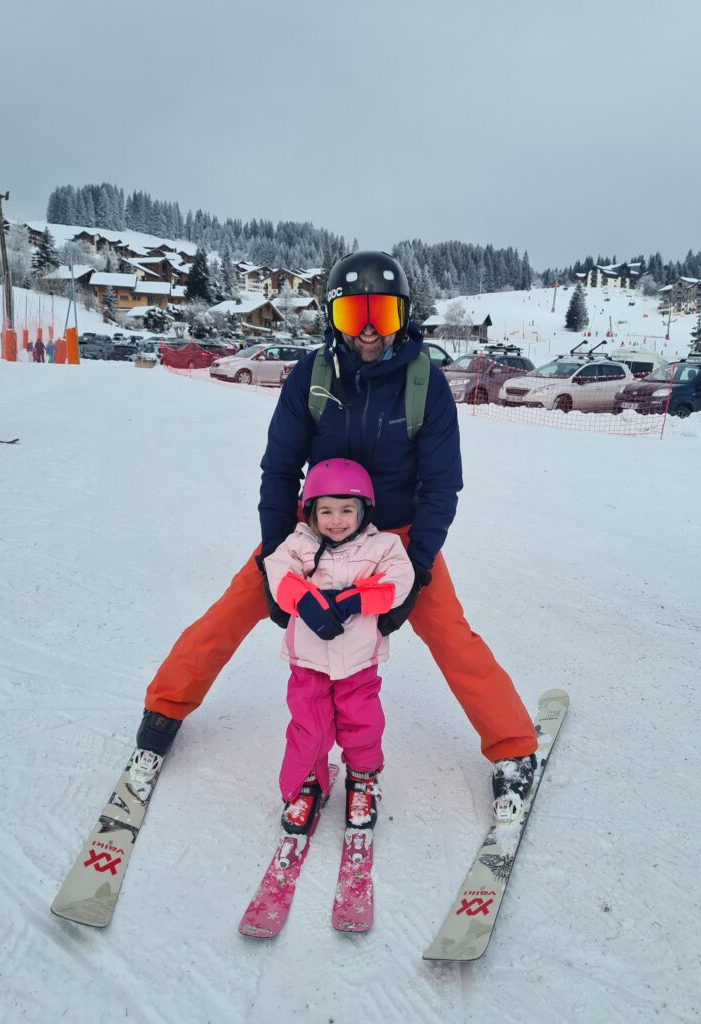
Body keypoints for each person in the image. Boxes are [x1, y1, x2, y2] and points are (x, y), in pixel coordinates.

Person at [136, 251, 538, 816]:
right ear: (333, 318)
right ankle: (163, 711)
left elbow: (442, 486)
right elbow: (279, 470)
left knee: (451, 635)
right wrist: (278, 556)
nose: (369, 330)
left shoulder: (425, 385)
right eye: (354, 316)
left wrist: (417, 566)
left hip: (393, 538)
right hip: (312, 532)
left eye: (383, 314)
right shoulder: (312, 376)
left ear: (402, 316)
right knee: (230, 610)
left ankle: (514, 749)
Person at [263, 457, 414, 834]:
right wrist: (306, 601)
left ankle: (362, 778)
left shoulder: (382, 545)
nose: (336, 520)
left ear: (363, 511)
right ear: (311, 512)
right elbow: (277, 570)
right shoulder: (298, 545)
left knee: (362, 723)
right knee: (309, 726)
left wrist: (358, 599)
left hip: (359, 662)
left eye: (347, 510)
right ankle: (306, 785)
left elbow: (401, 578)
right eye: (326, 511)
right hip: (308, 661)